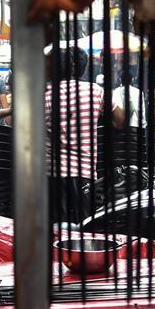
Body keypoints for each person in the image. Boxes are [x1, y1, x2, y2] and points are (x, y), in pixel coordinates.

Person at [45, 47, 104, 224]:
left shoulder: (45, 94)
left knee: (57, 224)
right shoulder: (95, 91)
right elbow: (120, 119)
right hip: (85, 169)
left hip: (52, 171)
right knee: (85, 223)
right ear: (83, 68)